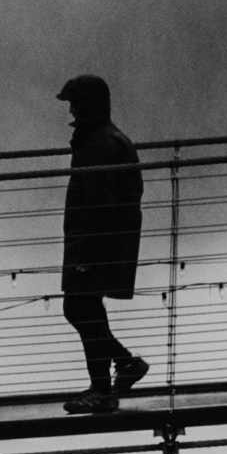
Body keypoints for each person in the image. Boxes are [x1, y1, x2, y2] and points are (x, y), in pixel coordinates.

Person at [56, 70, 150, 409]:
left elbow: (99, 206)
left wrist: (86, 256)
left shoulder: (97, 146)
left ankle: (106, 387)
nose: (70, 112)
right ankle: (114, 375)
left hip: (94, 244)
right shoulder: (106, 139)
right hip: (106, 242)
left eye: (74, 104)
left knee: (80, 307)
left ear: (87, 107)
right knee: (85, 308)